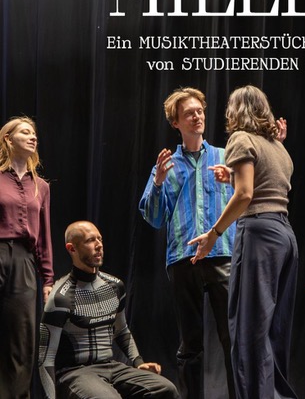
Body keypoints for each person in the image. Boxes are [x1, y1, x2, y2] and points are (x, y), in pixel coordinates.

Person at [189, 85, 298, 399]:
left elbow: (246, 195)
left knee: (250, 329)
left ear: (236, 110)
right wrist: (233, 176)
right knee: (273, 329)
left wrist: (214, 234)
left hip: (259, 233)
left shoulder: (241, 138)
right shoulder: (277, 146)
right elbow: (266, 183)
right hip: (284, 235)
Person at [139, 87, 238, 399]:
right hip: (184, 259)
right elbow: (154, 218)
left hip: (223, 253)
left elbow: (249, 194)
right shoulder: (166, 167)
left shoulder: (225, 156)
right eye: (188, 114)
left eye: (199, 111)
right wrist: (157, 183)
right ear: (175, 123)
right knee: (190, 342)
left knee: (232, 338)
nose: (197, 117)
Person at [38, 220, 179, 399]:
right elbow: (45, 357)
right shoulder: (60, 297)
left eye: (100, 239)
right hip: (74, 372)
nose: (99, 245)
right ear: (71, 248)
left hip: (110, 367)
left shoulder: (114, 286)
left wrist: (138, 362)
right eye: (90, 240)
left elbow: (122, 331)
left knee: (165, 389)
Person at [0, 116, 54, 399]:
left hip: (24, 261)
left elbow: (44, 236)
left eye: (34, 133)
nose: (33, 137)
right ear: (8, 139)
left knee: (21, 338)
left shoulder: (41, 187)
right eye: (25, 132)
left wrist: (48, 279)